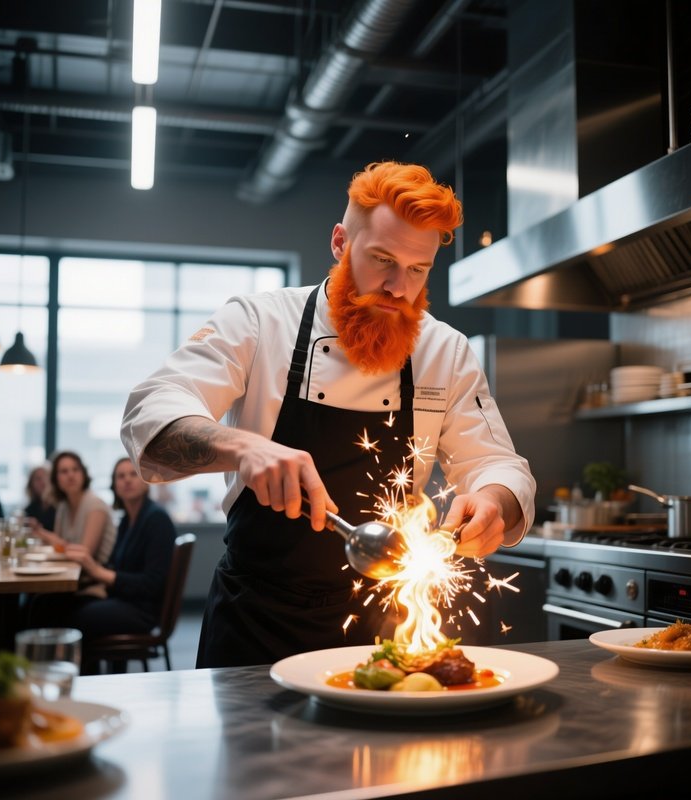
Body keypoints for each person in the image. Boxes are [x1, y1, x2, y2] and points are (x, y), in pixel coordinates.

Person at [121, 161, 536, 668]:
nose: (398, 288)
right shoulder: (258, 321)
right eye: (382, 259)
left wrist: (494, 501)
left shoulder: (444, 351)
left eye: (418, 269)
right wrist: (243, 447)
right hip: (254, 621)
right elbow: (151, 411)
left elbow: (499, 464)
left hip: (379, 626)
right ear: (340, 243)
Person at [28, 457, 176, 673]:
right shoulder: (127, 518)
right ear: (114, 485)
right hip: (124, 598)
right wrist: (98, 572)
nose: (127, 480)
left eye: (133, 474)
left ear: (146, 481)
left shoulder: (156, 519)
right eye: (120, 476)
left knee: (75, 619)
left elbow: (153, 583)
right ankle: (48, 677)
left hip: (142, 609)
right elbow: (117, 565)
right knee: (48, 605)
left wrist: (97, 571)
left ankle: (83, 681)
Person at [29, 451, 116, 575]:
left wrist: (47, 535)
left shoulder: (96, 505)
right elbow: (58, 549)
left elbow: (84, 554)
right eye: (64, 471)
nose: (71, 475)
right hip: (70, 574)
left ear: (83, 474)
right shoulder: (63, 506)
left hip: (93, 583)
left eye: (75, 470)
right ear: (56, 479)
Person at [24, 464, 56, 531]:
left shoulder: (60, 506)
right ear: (31, 484)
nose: (43, 482)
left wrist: (37, 529)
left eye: (46, 477)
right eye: (38, 479)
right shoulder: (30, 509)